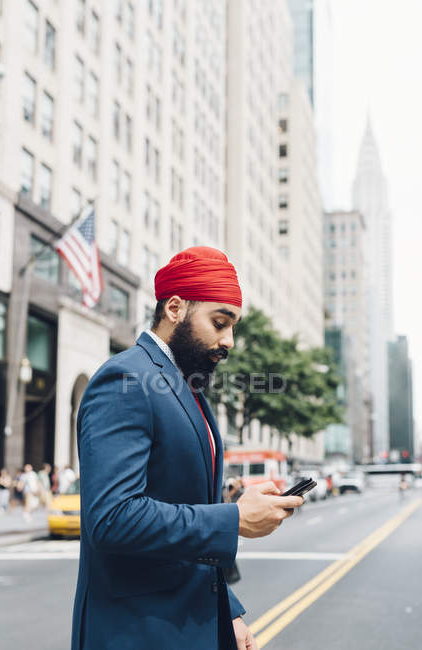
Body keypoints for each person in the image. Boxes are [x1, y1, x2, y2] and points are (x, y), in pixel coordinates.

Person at [71, 246, 303, 650]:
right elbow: (111, 518)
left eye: (233, 326)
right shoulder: (125, 379)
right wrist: (233, 520)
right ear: (174, 308)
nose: (229, 340)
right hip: (138, 633)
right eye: (219, 322)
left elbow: (186, 507)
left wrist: (226, 610)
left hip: (189, 624)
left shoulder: (184, 385)